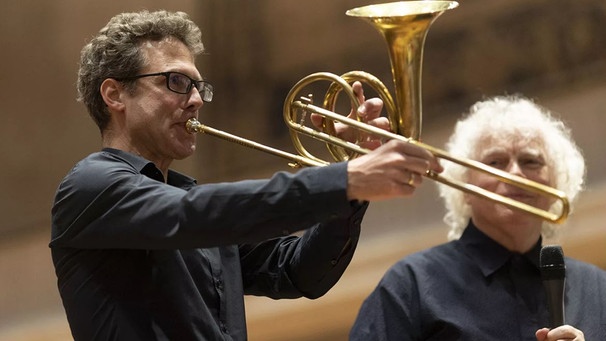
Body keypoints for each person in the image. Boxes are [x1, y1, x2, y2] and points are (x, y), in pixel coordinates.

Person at [49, 10, 443, 341]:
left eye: (199, 86)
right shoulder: (90, 187)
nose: (197, 100)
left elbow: (298, 271)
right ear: (115, 95)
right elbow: (195, 215)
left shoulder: (193, 204)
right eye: (176, 82)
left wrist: (351, 184)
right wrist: (345, 178)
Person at [349, 95, 606, 341]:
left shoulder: (597, 288)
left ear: (556, 183)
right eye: (495, 162)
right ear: (464, 185)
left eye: (531, 161)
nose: (515, 174)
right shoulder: (410, 284)